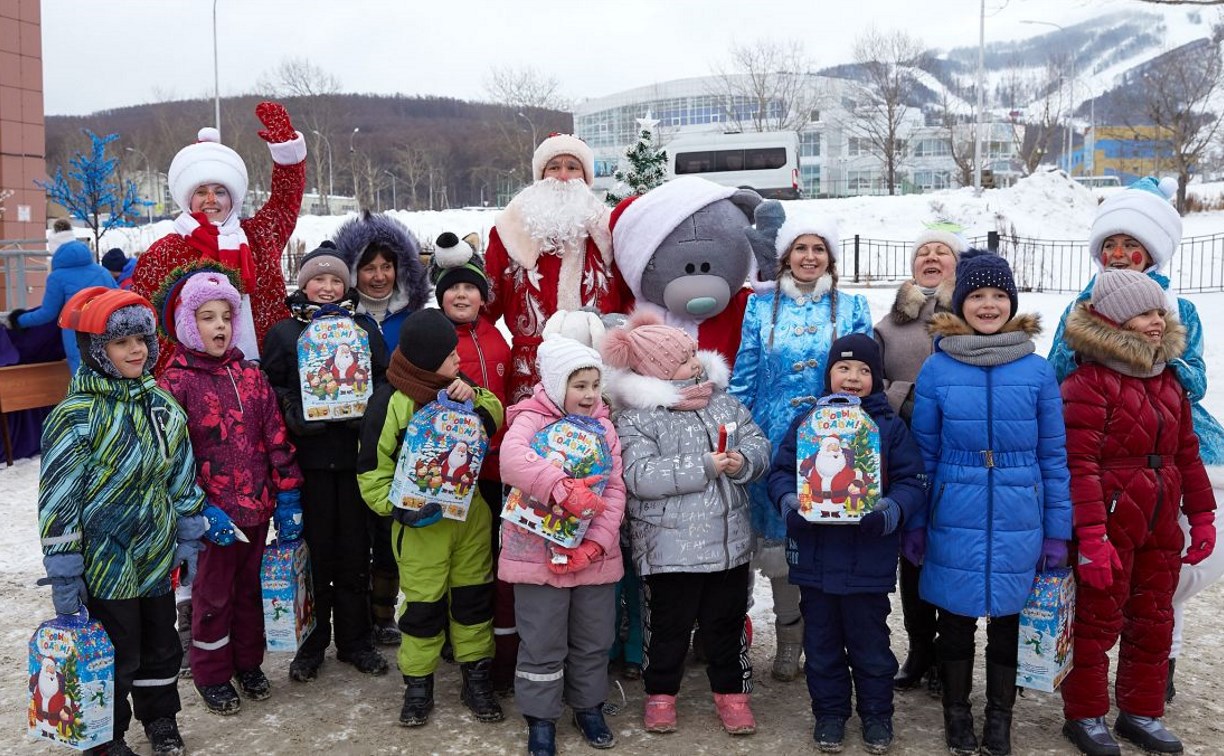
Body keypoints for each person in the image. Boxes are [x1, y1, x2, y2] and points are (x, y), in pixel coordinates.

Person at [1047, 177, 1224, 702]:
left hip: (1171, 442)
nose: (1121, 254)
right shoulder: (1083, 306)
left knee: (1173, 570)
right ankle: (1093, 691)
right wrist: (1105, 352)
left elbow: (1194, 379)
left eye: (1132, 246)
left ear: (1151, 252)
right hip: (1108, 449)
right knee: (1109, 572)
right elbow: (1059, 368)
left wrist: (1157, 355)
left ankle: (1157, 659)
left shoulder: (1178, 308)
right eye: (1112, 245)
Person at [36, 287, 217, 755]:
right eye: (122, 343)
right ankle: (105, 734)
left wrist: (189, 534)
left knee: (160, 645)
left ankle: (160, 719)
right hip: (103, 561)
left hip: (156, 552)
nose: (137, 350)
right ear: (97, 351)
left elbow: (181, 475)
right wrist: (64, 566)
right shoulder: (76, 416)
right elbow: (58, 496)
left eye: (142, 339)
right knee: (115, 651)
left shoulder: (162, 406)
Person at [909, 249, 1072, 756]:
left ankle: (999, 717)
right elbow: (924, 453)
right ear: (961, 303)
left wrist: (1056, 531)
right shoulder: (937, 368)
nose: (987, 304)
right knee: (954, 621)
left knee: (1009, 622)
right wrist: (916, 519)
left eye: (998, 295)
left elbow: (1054, 455)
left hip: (1019, 511)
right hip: (953, 508)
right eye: (976, 295)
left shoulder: (1038, 371)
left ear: (1012, 302)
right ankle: (957, 714)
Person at [1057, 269, 1216, 756]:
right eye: (1146, 312)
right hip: (1110, 516)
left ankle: (1140, 711)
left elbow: (1187, 450)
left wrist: (1203, 515)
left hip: (1161, 517)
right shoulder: (1088, 383)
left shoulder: (1168, 379)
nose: (1157, 321)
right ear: (1118, 319)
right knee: (1096, 621)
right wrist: (1091, 537)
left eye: (1159, 311)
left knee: (1153, 618)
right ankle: (1084, 713)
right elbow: (1078, 465)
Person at [605, 311, 771, 737]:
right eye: (683, 360)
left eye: (694, 354)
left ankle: (731, 694)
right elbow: (638, 476)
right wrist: (704, 466)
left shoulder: (723, 402)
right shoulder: (638, 418)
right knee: (668, 627)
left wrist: (743, 461)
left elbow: (757, 441)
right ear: (656, 372)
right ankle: (661, 694)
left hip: (728, 542)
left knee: (726, 623)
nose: (695, 363)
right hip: (669, 549)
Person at [153, 266, 304, 715]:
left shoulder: (250, 377)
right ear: (186, 325)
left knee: (250, 592)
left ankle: (247, 662)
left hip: (257, 507)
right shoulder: (175, 383)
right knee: (212, 598)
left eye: (225, 317)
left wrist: (289, 493)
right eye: (207, 317)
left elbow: (275, 437)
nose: (219, 326)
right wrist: (196, 509)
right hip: (212, 519)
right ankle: (212, 673)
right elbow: (170, 458)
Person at [729, 209, 871, 683]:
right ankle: (790, 636)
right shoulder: (759, 306)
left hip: (831, 442)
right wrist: (734, 428)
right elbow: (745, 376)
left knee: (824, 541)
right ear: (786, 255)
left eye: (818, 249)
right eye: (801, 248)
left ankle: (825, 638)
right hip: (772, 442)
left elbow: (863, 377)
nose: (809, 257)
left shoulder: (852, 307)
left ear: (830, 257)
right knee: (778, 549)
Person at [769, 334, 927, 754]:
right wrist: (790, 503)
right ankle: (830, 713)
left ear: (876, 379)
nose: (853, 378)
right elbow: (782, 471)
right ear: (829, 374)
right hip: (815, 558)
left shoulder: (888, 427)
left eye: (864, 371)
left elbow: (913, 481)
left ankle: (877, 714)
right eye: (844, 368)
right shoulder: (807, 424)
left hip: (867, 562)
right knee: (820, 645)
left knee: (870, 646)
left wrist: (889, 510)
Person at [356, 308, 503, 728]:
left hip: (469, 518)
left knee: (474, 602)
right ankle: (418, 684)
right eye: (449, 355)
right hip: (420, 529)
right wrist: (398, 509)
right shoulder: (390, 401)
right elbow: (371, 468)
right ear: (424, 359)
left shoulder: (457, 387)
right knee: (422, 608)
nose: (458, 361)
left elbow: (496, 413)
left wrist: (473, 399)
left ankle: (476, 677)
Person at [261, 242, 390, 682]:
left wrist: (367, 411)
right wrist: (293, 409)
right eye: (320, 279)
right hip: (308, 463)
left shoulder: (363, 328)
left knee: (356, 554)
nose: (329, 288)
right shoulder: (284, 332)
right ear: (304, 284)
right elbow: (270, 386)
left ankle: (356, 641)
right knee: (314, 557)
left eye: (337, 280)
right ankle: (311, 644)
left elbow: (384, 380)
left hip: (354, 461)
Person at [498, 336, 627, 756]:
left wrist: (595, 545)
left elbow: (614, 493)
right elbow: (512, 460)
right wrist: (560, 486)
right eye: (579, 385)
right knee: (542, 640)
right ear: (556, 385)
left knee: (593, 637)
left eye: (595, 385)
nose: (590, 395)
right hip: (535, 554)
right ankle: (541, 717)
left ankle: (588, 706)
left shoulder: (605, 429)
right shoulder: (530, 420)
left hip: (591, 558)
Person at [132, 100, 306, 375]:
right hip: (198, 384)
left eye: (220, 191)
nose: (211, 200)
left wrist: (286, 151)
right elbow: (148, 326)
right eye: (202, 191)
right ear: (189, 197)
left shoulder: (259, 236)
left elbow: (286, 200)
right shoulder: (165, 252)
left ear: (232, 197)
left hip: (269, 374)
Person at [873, 225, 964, 697]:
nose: (931, 257)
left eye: (942, 251)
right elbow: (872, 384)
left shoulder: (973, 314)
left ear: (957, 263)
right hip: (906, 451)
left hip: (961, 452)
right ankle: (919, 651)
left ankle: (952, 655)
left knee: (952, 551)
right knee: (912, 550)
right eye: (923, 251)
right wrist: (904, 395)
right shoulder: (890, 325)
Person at [333, 211, 431, 647]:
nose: (378, 276)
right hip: (345, 437)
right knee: (353, 532)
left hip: (399, 439)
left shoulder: (412, 318)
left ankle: (384, 609)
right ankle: (354, 618)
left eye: (387, 266)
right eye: (368, 267)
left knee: (390, 529)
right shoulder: (338, 320)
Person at [428, 231, 518, 691]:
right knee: (451, 550)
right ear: (440, 295)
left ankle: (482, 628)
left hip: (496, 462)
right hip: (452, 466)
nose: (461, 294)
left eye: (470, 287)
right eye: (452, 288)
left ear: (483, 297)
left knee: (489, 551)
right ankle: (448, 628)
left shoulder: (497, 338)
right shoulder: (435, 338)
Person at [484, 133, 622, 404]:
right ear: (541, 174)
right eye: (554, 167)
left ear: (585, 177)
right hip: (531, 371)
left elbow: (629, 300)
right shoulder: (509, 230)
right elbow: (485, 306)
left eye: (572, 167)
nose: (562, 175)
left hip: (597, 370)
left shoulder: (609, 231)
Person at [6, 239, 116, 373]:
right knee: (110, 373)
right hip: (106, 328)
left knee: (82, 377)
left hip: (76, 333)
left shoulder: (57, 277)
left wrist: (19, 320)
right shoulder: (102, 272)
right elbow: (118, 299)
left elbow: (47, 313)